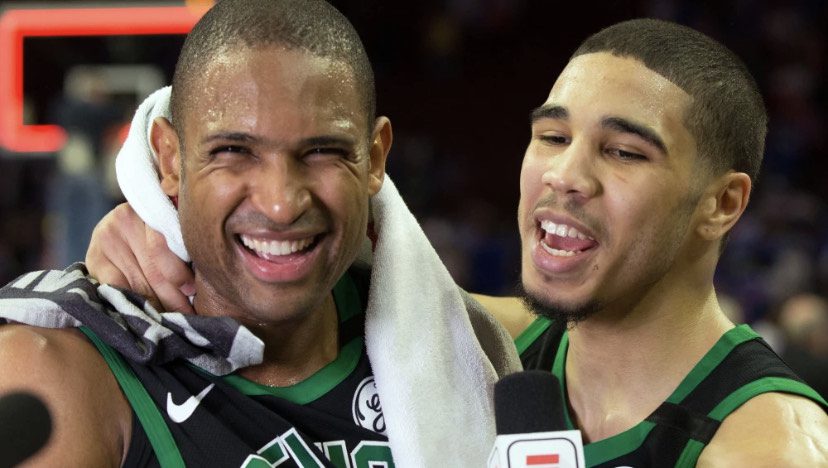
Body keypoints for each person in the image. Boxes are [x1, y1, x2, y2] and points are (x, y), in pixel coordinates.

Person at [87, 17, 828, 466]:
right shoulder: (485, 341)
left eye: (624, 152)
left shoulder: (766, 446)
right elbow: (306, 262)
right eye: (553, 137)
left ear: (722, 204)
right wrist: (158, 223)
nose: (565, 176)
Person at [0, 0, 517, 465]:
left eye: (323, 151)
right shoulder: (61, 376)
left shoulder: (461, 342)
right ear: (170, 161)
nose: (281, 203)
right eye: (233, 151)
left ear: (375, 158)